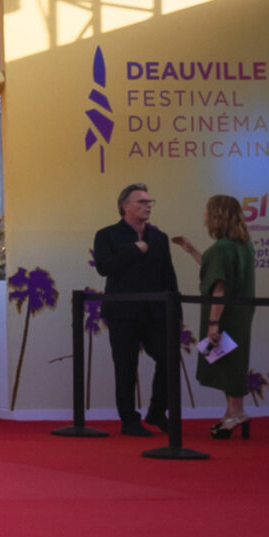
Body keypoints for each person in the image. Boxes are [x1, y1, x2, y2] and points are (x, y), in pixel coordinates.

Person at [91, 184, 188, 437]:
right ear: (125, 206)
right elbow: (104, 267)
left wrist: (177, 314)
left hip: (156, 313)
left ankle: (157, 411)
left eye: (149, 202)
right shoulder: (107, 235)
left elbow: (169, 276)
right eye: (142, 202)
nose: (148, 206)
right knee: (125, 366)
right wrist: (133, 250)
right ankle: (128, 419)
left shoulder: (159, 238)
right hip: (122, 314)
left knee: (168, 358)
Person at [192, 195, 257, 439]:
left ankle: (236, 413)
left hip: (224, 315)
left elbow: (219, 286)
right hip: (240, 314)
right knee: (232, 362)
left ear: (216, 215)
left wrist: (213, 323)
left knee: (228, 364)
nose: (204, 215)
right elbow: (215, 271)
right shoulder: (242, 245)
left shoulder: (222, 248)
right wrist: (191, 250)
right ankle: (233, 412)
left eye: (207, 211)